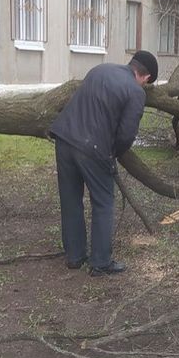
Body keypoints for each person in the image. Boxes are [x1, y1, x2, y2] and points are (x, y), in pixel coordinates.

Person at [49, 50, 158, 276]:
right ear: (146, 77)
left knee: (71, 200)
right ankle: (100, 262)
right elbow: (127, 135)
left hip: (64, 139)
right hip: (93, 149)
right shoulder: (136, 92)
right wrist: (113, 153)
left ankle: (75, 256)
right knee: (103, 202)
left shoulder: (100, 69)